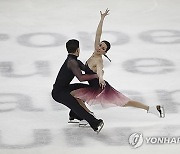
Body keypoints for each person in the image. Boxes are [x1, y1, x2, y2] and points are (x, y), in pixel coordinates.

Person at [70, 9, 165, 118]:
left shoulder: (98, 60)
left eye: (103, 48)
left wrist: (100, 77)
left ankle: (152, 109)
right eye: (100, 45)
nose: (99, 47)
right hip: (93, 87)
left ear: (105, 52)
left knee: (125, 102)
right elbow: (98, 34)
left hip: (100, 89)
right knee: (75, 96)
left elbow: (100, 69)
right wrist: (102, 19)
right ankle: (86, 115)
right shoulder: (94, 52)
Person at [51, 39, 104, 133]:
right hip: (58, 93)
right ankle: (94, 123)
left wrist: (97, 73)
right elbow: (81, 77)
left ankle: (74, 115)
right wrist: (96, 75)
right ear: (78, 50)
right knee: (76, 105)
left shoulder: (75, 61)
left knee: (85, 90)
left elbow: (86, 69)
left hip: (65, 88)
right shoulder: (72, 62)